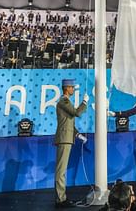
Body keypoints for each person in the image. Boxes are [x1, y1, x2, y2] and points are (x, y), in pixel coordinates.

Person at [54, 79, 89, 208]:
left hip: (67, 138)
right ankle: (60, 199)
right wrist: (84, 102)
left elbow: (68, 122)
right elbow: (77, 113)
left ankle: (61, 197)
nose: (73, 89)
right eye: (72, 87)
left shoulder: (66, 102)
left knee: (62, 170)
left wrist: (78, 135)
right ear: (66, 88)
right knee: (61, 170)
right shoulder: (64, 101)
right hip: (64, 139)